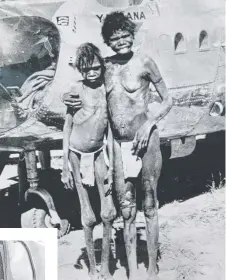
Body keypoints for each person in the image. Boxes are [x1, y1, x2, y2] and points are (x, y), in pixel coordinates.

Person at [63, 11, 172, 280]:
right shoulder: (107, 66)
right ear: (108, 42)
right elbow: (84, 82)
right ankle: (132, 269)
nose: (121, 41)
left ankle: (152, 269)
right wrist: (67, 94)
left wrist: (149, 123)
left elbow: (168, 99)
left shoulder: (145, 62)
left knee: (149, 204)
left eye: (125, 36)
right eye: (115, 38)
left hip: (147, 142)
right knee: (126, 209)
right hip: (120, 146)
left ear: (132, 36)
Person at [61, 43, 116, 280]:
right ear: (80, 70)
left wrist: (112, 165)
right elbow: (67, 126)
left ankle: (106, 266)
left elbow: (110, 130)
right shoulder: (75, 89)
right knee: (87, 214)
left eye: (95, 68)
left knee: (107, 211)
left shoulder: (107, 89)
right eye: (86, 70)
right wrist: (65, 165)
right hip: (76, 153)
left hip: (98, 152)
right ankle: (93, 269)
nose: (91, 73)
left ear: (101, 66)